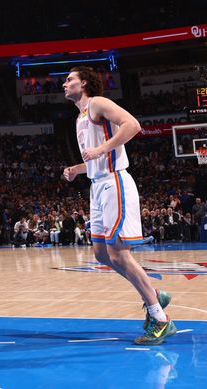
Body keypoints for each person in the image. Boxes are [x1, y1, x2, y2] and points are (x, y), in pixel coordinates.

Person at [62, 66, 175, 346]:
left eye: (69, 80)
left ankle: (159, 318)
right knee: (101, 254)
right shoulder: (80, 116)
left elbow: (133, 125)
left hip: (115, 183)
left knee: (119, 253)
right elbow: (94, 159)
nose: (64, 84)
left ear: (84, 83)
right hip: (97, 184)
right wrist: (78, 169)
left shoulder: (98, 103)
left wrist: (101, 150)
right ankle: (153, 293)